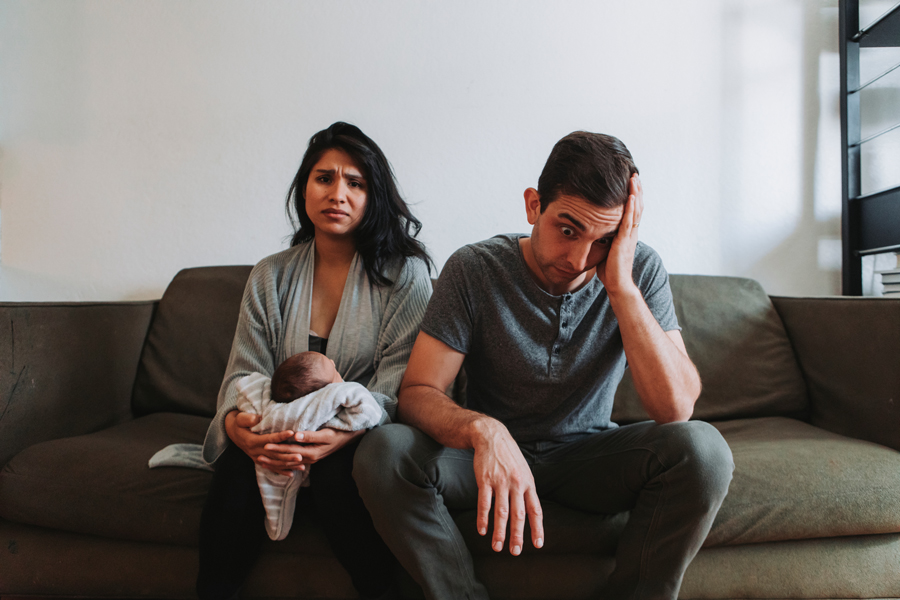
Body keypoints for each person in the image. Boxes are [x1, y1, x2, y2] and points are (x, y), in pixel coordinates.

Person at [353, 131, 734, 600]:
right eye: (568, 229)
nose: (578, 259)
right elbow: (416, 393)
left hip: (588, 456)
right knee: (383, 451)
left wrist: (621, 287)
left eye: (604, 240)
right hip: (482, 459)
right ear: (534, 206)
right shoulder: (474, 268)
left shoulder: (638, 271)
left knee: (704, 451)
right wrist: (484, 431)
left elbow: (675, 409)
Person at [194, 122, 433, 600]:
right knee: (235, 474)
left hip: (358, 439)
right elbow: (244, 374)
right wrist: (240, 430)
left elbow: (396, 389)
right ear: (304, 188)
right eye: (324, 178)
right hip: (276, 431)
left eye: (355, 183)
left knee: (343, 478)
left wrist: (332, 440)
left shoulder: (404, 276)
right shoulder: (270, 276)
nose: (337, 194)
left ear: (373, 195)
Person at [234, 351, 384, 541]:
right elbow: (370, 411)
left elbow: (245, 388)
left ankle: (278, 526)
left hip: (297, 453)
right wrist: (232, 424)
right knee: (239, 464)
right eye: (335, 374)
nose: (333, 362)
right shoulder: (331, 396)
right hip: (283, 457)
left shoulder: (268, 404)